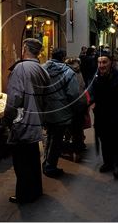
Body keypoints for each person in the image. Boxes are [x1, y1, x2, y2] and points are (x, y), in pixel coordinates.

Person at [3, 38, 50, 204]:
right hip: (36, 121)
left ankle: (24, 195)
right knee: (32, 159)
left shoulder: (21, 68)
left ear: (24, 48)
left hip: (22, 122)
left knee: (21, 162)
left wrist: (7, 119)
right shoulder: (41, 69)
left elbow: (14, 98)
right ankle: (35, 191)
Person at [89, 49, 118, 180]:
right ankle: (108, 162)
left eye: (104, 62)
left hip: (117, 117)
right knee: (105, 141)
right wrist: (91, 101)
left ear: (111, 63)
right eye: (99, 63)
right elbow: (90, 92)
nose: (101, 65)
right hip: (102, 116)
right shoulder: (96, 78)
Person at [41, 47, 79, 177]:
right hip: (61, 111)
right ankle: (50, 166)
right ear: (63, 58)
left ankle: (46, 162)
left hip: (45, 110)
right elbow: (73, 94)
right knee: (56, 140)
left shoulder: (42, 69)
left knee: (48, 136)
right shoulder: (69, 72)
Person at [64, 57, 89, 162]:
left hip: (69, 104)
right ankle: (77, 151)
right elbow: (82, 87)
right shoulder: (79, 72)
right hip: (81, 103)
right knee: (78, 129)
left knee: (68, 128)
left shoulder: (66, 72)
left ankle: (69, 150)